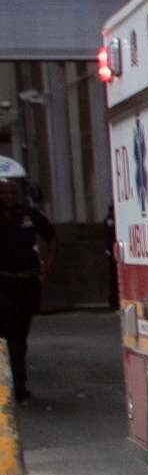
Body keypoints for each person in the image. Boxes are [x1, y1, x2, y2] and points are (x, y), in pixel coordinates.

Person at [0, 159, 55, 403]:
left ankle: (17, 379)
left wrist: (45, 267)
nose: (9, 195)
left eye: (13, 190)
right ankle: (17, 383)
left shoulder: (29, 215)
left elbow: (52, 237)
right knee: (11, 331)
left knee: (20, 334)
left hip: (27, 283)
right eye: (4, 191)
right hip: (2, 283)